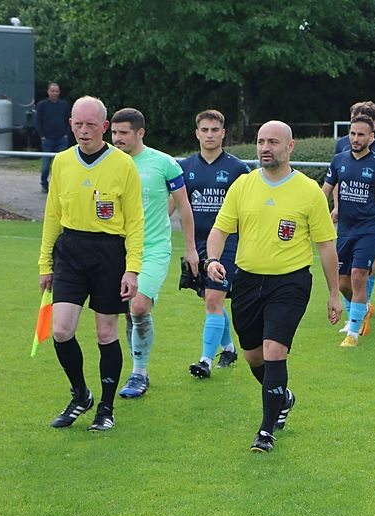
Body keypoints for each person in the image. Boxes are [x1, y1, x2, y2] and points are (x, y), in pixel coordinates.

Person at [206, 120, 342, 453]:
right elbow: (220, 230)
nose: (265, 148)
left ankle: (266, 431)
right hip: (247, 280)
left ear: (290, 146)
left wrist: (334, 293)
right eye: (260, 141)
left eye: (273, 142)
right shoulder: (243, 185)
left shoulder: (308, 190)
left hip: (290, 282)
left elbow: (326, 246)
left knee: (274, 350)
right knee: (253, 355)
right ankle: (283, 397)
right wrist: (212, 260)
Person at [38, 96, 144, 431]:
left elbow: (135, 222)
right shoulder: (61, 162)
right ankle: (81, 394)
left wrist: (132, 268)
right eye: (78, 124)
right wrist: (45, 264)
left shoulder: (123, 165)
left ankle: (106, 408)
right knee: (60, 329)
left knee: (105, 332)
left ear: (105, 127)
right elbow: (52, 215)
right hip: (70, 251)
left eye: (91, 125)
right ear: (70, 124)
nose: (83, 131)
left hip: (109, 253)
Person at [109, 108, 198, 399]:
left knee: (139, 306)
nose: (117, 138)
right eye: (114, 132)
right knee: (126, 310)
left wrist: (191, 249)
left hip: (153, 249)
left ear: (140, 133)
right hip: (116, 250)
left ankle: (139, 372)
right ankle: (135, 368)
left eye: (123, 133)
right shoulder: (107, 161)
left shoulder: (164, 163)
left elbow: (184, 207)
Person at [178, 109, 252, 378]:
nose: (209, 135)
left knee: (213, 298)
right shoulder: (185, 167)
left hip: (227, 243)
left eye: (215, 130)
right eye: (205, 130)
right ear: (197, 133)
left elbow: (249, 207)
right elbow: (175, 206)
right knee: (211, 300)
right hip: (197, 244)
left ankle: (205, 361)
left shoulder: (238, 169)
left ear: (223, 133)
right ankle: (229, 349)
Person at [323, 115, 375, 347]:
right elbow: (324, 191)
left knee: (358, 275)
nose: (355, 138)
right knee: (342, 283)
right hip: (345, 230)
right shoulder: (338, 160)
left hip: (369, 229)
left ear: (371, 137)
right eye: (353, 133)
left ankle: (353, 334)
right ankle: (362, 308)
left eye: (361, 134)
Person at [34, 83, 71, 192]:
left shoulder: (64, 105)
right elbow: (37, 121)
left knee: (61, 164)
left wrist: (66, 134)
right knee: (46, 165)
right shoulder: (42, 105)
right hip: (47, 139)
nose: (55, 93)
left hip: (61, 139)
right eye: (52, 91)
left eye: (57, 91)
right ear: (48, 92)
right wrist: (42, 136)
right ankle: (44, 184)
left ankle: (60, 185)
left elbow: (68, 120)